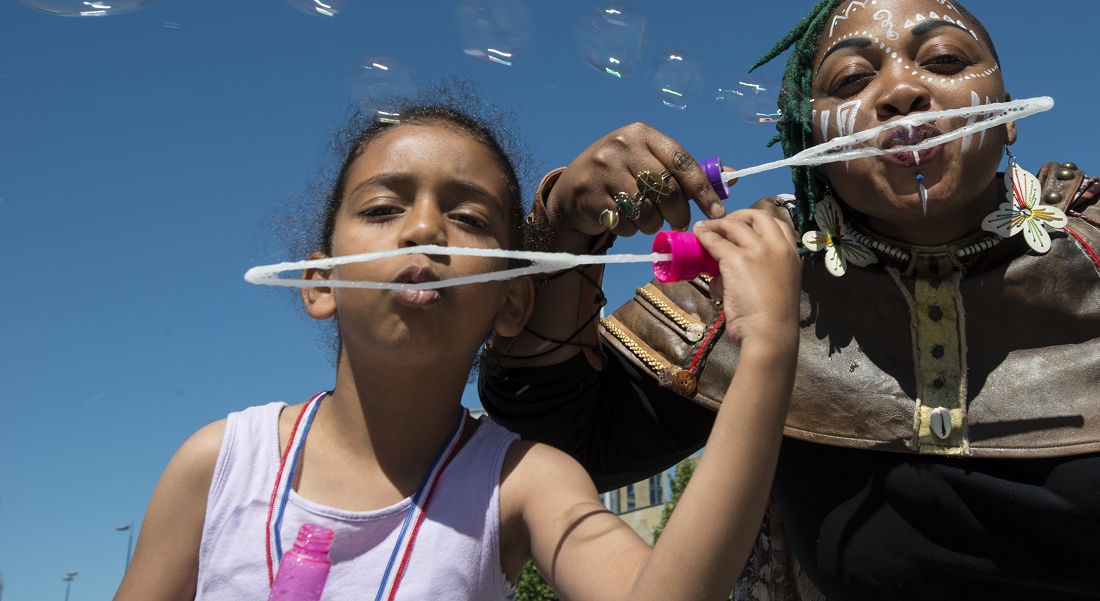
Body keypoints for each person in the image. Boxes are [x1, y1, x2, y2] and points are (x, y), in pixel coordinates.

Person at [480, 0, 1100, 599]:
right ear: (810, 141)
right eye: (854, 80)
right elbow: (562, 442)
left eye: (942, 60)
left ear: (1009, 114)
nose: (902, 92)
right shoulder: (755, 275)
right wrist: (564, 230)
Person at [113, 84, 804, 601]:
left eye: (468, 218)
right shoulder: (218, 466)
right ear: (319, 283)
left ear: (513, 300)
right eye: (383, 209)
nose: (424, 230)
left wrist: (766, 347)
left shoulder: (523, 480)